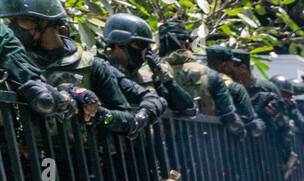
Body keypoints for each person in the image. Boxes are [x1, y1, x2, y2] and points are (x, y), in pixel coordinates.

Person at [5, 0, 154, 135]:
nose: (13, 27)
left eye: (23, 20)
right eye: (12, 21)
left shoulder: (91, 64)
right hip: (35, 159)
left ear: (47, 23)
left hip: (88, 159)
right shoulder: (18, 65)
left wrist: (97, 114)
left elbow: (127, 120)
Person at [99, 12, 195, 117]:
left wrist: (163, 75)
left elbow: (187, 107)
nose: (145, 51)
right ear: (118, 44)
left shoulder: (149, 74)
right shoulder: (99, 71)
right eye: (139, 44)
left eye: (147, 46)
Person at [158, 21, 245, 134]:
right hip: (205, 142)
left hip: (166, 143)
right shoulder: (209, 74)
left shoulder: (152, 73)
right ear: (187, 44)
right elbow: (229, 116)